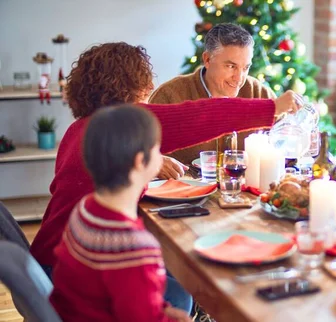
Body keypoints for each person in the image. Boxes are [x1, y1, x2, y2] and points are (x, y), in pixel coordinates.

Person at [29, 42, 300, 313]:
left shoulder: (83, 129)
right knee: (179, 292)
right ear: (130, 85)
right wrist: (273, 108)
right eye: (144, 81)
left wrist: (151, 162)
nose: (149, 89)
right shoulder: (129, 123)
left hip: (54, 259)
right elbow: (200, 117)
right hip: (70, 272)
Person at [50, 105, 192, 322]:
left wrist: (162, 310)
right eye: (157, 149)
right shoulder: (134, 248)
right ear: (140, 161)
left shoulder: (84, 209)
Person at [149, 23, 278, 165]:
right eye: (231, 66)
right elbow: (142, 152)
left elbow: (287, 132)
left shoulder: (260, 93)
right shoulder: (169, 95)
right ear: (207, 60)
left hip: (245, 186)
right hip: (186, 185)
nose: (239, 78)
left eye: (245, 67)